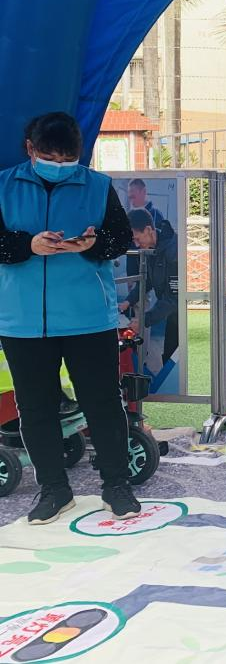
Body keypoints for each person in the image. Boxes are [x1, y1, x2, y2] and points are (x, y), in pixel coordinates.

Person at [0, 112, 143, 524]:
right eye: (51, 157)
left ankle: (116, 486)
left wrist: (92, 245)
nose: (60, 165)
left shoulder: (97, 185)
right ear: (31, 149)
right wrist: (28, 246)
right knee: (36, 408)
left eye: (69, 159)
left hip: (88, 318)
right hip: (22, 320)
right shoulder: (4, 186)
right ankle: (54, 490)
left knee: (103, 404)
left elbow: (120, 239)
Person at [120, 208, 179, 370]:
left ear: (148, 230)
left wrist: (144, 321)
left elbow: (173, 299)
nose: (136, 245)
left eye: (137, 239)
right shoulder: (153, 249)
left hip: (185, 316)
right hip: (173, 315)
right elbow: (147, 282)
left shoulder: (174, 252)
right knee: (168, 357)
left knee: (173, 360)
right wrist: (127, 302)